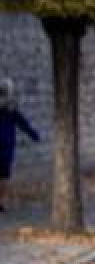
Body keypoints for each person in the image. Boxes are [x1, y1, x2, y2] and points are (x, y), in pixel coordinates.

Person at [0, 77, 41, 213]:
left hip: (6, 147)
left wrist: (34, 135)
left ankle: (1, 202)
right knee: (4, 176)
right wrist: (34, 135)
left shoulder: (12, 110)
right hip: (6, 146)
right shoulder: (11, 110)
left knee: (4, 176)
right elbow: (23, 124)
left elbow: (23, 123)